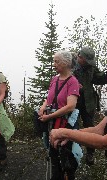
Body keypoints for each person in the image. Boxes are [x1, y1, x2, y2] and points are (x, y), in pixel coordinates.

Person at [38, 50, 83, 180]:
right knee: (53, 152)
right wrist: (42, 107)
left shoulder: (72, 81)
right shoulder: (54, 80)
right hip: (52, 122)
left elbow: (70, 106)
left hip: (65, 123)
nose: (54, 64)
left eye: (56, 61)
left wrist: (49, 116)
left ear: (66, 63)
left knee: (66, 155)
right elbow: (49, 99)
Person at [73, 46, 107, 165]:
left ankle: (90, 153)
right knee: (72, 126)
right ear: (80, 57)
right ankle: (72, 152)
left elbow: (98, 78)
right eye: (86, 61)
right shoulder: (69, 62)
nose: (88, 63)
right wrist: (73, 85)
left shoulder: (91, 67)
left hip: (88, 102)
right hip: (72, 101)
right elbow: (62, 77)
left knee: (89, 126)